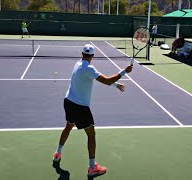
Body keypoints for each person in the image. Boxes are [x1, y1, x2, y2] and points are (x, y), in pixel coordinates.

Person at [52, 44, 133, 177]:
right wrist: (124, 71)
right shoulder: (89, 68)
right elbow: (106, 81)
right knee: (91, 134)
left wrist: (116, 85)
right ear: (93, 56)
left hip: (68, 102)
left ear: (82, 54)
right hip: (80, 107)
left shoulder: (78, 64)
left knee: (68, 126)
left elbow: (97, 80)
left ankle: (57, 153)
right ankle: (92, 168)